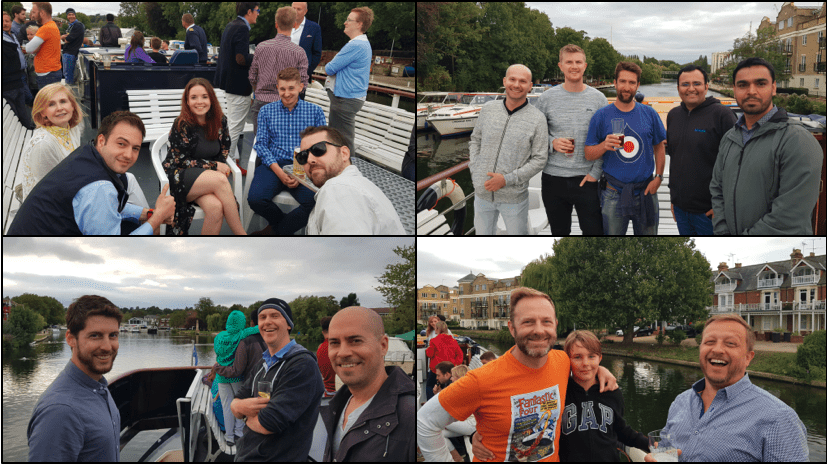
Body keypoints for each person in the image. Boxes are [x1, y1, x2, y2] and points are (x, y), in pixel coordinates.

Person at [418, 287, 618, 462]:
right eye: (528, 322)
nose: (539, 330)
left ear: (555, 325)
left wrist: (601, 369)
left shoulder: (563, 361)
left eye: (546, 321)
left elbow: (585, 365)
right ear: (512, 328)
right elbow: (424, 422)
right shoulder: (481, 379)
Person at [644, 314, 808, 461]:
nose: (717, 349)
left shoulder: (779, 418)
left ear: (748, 358)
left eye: (730, 343)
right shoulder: (680, 402)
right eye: (709, 342)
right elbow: (665, 452)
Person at [474, 330, 649, 462]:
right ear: (567, 359)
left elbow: (621, 430)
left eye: (592, 356)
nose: (586, 363)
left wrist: (651, 444)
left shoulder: (612, 392)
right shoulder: (557, 390)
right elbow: (524, 418)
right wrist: (479, 436)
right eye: (577, 357)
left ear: (600, 358)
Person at [8, 111, 175, 235]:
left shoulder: (87, 153)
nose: (128, 155)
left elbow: (106, 208)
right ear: (102, 141)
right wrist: (157, 218)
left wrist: (147, 213)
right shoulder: (99, 187)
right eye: (121, 144)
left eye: (135, 148)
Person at [710, 57, 823, 235]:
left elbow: (788, 218)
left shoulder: (798, 141)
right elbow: (717, 188)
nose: (751, 91)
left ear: (774, 88)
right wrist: (722, 232)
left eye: (760, 83)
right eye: (743, 85)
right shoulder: (729, 138)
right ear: (734, 90)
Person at [27, 295, 123, 461]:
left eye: (113, 335)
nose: (107, 346)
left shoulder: (98, 386)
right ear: (71, 339)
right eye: (95, 336)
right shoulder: (61, 411)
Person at [230, 298, 324, 461]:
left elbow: (269, 423)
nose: (267, 322)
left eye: (275, 315)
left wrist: (243, 413)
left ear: (288, 324)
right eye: (262, 317)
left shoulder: (302, 365)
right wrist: (237, 405)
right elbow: (239, 397)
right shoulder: (263, 362)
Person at [321, 306, 416, 461]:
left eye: (356, 341)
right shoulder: (335, 406)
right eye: (335, 343)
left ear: (383, 345)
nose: (343, 352)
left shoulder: (410, 416)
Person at [586, 61, 667, 235]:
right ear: (615, 82)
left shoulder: (649, 113)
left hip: (646, 191)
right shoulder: (601, 116)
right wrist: (603, 146)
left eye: (632, 83)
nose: (626, 87)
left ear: (638, 85)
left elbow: (659, 147)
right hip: (613, 193)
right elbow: (588, 154)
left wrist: (658, 178)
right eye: (622, 81)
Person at [536, 45, 607, 236]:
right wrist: (552, 143)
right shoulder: (546, 98)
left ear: (585, 66)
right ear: (561, 66)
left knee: (594, 233)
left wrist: (595, 173)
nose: (573, 66)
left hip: (588, 179)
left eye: (578, 62)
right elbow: (536, 135)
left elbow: (605, 141)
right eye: (569, 62)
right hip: (553, 179)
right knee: (559, 234)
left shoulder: (599, 99)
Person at [469, 64, 549, 235]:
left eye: (522, 81)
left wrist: (506, 180)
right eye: (512, 79)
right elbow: (475, 140)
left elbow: (540, 159)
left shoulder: (537, 119)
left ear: (530, 86)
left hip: (514, 198)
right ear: (505, 81)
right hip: (481, 193)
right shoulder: (488, 109)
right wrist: (475, 169)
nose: (516, 85)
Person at [162, 78, 247, 235]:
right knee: (220, 180)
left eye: (204, 96)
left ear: (211, 99)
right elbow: (180, 161)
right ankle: (242, 235)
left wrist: (213, 168)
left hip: (206, 180)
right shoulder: (181, 124)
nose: (199, 102)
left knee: (216, 208)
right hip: (179, 176)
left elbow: (223, 151)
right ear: (187, 101)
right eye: (193, 97)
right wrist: (213, 167)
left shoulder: (220, 121)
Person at [248, 66, 324, 236]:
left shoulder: (315, 112)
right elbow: (261, 144)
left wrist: (299, 172)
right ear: (277, 88)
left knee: (316, 202)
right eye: (282, 88)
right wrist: (280, 172)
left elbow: (320, 146)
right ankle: (283, 226)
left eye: (291, 88)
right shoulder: (266, 111)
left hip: (304, 165)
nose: (287, 93)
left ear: (300, 87)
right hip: (274, 164)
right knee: (255, 200)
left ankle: (273, 232)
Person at [666, 65, 736, 235]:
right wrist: (674, 199)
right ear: (678, 88)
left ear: (706, 86)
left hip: (709, 213)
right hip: (681, 209)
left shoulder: (722, 116)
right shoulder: (673, 115)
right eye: (685, 84)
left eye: (696, 83)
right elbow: (675, 159)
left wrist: (723, 205)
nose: (691, 89)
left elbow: (737, 164)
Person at [298, 125, 406, 234]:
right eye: (303, 156)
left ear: (344, 154)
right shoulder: (358, 186)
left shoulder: (338, 189)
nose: (310, 159)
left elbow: (344, 249)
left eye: (318, 149)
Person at [18, 83, 84, 200]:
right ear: (43, 113)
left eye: (63, 101)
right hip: (47, 209)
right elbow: (52, 192)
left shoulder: (72, 129)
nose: (59, 108)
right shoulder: (43, 145)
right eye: (51, 104)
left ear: (72, 106)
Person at [249, 6, 308, 135]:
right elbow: (303, 83)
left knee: (260, 143)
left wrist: (257, 90)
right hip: (287, 105)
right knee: (283, 145)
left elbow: (252, 76)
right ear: (294, 25)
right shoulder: (299, 52)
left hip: (261, 102)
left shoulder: (261, 47)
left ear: (276, 24)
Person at [324, 6, 374, 155]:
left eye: (349, 20)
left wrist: (333, 62)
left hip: (345, 99)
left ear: (359, 24)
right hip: (348, 98)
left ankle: (348, 169)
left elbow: (329, 68)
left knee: (342, 140)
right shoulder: (362, 44)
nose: (345, 23)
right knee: (337, 138)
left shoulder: (356, 45)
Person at [213, 2, 258, 167]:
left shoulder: (231, 25)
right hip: (238, 86)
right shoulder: (242, 28)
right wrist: (257, 56)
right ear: (249, 11)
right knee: (235, 127)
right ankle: (227, 163)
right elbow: (240, 58)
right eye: (257, 10)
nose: (258, 14)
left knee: (232, 124)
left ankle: (227, 161)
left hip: (229, 84)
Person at [213, 310, 260, 447]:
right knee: (239, 405)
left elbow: (217, 352)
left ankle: (229, 437)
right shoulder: (241, 335)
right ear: (241, 323)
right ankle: (239, 433)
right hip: (236, 376)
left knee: (226, 406)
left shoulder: (219, 337)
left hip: (221, 377)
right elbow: (257, 328)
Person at [2, 11, 35, 129]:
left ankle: (28, 127)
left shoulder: (13, 35)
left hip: (20, 76)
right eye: (2, 21)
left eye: (7, 21)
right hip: (9, 82)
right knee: (14, 110)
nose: (5, 24)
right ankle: (22, 130)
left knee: (22, 106)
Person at [22, 2, 62, 89]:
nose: (33, 15)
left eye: (34, 12)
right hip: (52, 72)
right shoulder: (53, 25)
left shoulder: (45, 28)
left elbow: (28, 48)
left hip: (47, 74)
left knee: (47, 101)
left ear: (42, 13)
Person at [291, 2, 322, 99]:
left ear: (305, 11)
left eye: (299, 9)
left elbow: (317, 53)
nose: (295, 12)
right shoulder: (284, 24)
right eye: (293, 8)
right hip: (281, 73)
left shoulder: (314, 28)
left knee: (296, 106)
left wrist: (306, 72)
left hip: (300, 77)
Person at [424, 321, 463, 400]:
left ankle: (430, 403)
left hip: (436, 369)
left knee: (429, 386)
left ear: (438, 329)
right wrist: (454, 365)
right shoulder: (453, 341)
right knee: (447, 388)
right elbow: (460, 355)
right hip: (449, 369)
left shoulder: (434, 341)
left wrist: (427, 349)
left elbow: (429, 354)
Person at [60, 8, 85, 84]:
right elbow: (68, 37)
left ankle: (69, 91)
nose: (71, 16)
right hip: (68, 52)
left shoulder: (78, 25)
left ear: (75, 15)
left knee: (68, 74)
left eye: (72, 14)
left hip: (71, 53)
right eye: (69, 15)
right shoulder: (71, 26)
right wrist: (65, 37)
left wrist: (63, 37)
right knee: (66, 73)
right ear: (67, 16)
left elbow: (68, 39)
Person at [316, 316, 337, 398]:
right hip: (341, 394)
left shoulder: (320, 348)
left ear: (322, 332)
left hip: (327, 393)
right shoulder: (338, 346)